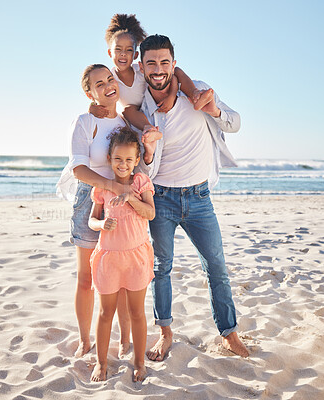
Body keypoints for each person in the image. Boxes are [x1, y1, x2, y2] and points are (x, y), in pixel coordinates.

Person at [137, 34, 249, 361]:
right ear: (142, 67)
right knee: (162, 269)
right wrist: (147, 148)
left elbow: (235, 122)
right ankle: (165, 333)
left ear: (174, 63)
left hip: (199, 198)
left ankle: (229, 333)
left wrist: (213, 108)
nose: (158, 69)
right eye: (151, 63)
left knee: (216, 267)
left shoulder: (196, 89)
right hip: (162, 200)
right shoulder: (142, 109)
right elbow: (146, 166)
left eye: (164, 62)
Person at [56, 64, 157, 359]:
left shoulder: (126, 123)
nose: (108, 86)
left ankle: (125, 340)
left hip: (125, 198)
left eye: (110, 79)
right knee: (87, 276)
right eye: (99, 84)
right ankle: (84, 340)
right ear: (89, 92)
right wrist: (111, 187)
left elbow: (138, 162)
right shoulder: (85, 121)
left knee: (124, 278)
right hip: (92, 196)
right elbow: (78, 168)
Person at [90, 13, 211, 156]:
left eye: (128, 50)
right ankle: (150, 129)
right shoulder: (110, 77)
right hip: (137, 113)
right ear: (110, 53)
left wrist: (171, 96)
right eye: (118, 50)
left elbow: (172, 76)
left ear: (135, 56)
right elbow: (99, 93)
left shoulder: (140, 70)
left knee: (177, 71)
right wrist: (92, 107)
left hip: (153, 101)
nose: (123, 54)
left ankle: (196, 95)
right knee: (127, 110)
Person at [88, 126, 155, 382]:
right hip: (109, 258)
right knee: (106, 313)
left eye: (129, 159)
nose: (123, 164)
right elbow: (92, 220)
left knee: (137, 312)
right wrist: (101, 225)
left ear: (137, 160)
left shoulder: (140, 182)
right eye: (118, 159)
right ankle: (101, 363)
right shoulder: (102, 188)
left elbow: (150, 213)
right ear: (109, 159)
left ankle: (139, 362)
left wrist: (129, 198)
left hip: (136, 257)